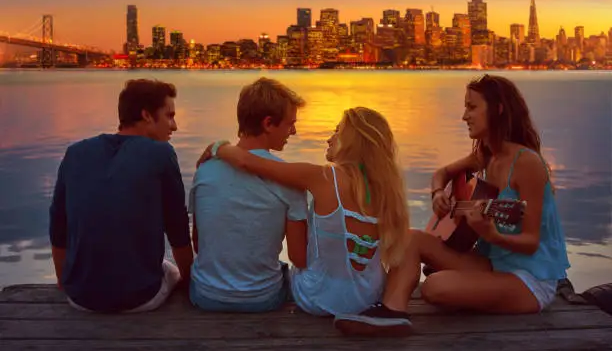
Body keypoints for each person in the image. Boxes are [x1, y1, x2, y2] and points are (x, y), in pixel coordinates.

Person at [335, 74, 570, 336]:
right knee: (411, 238)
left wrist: (490, 234)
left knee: (434, 287)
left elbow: (531, 242)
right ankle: (392, 312)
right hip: (492, 265)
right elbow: (442, 174)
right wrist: (438, 194)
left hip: (530, 280)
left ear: (498, 109)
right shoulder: (485, 155)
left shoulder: (527, 164)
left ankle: (471, 293)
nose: (464, 116)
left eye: (472, 107)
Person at [200, 106, 412, 328]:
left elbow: (249, 163)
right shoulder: (388, 191)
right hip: (368, 298)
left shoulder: (322, 177)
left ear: (352, 140)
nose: (329, 139)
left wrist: (218, 147)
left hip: (319, 299)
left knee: (289, 269)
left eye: (338, 132)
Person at [49, 79, 193, 313]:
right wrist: (189, 282)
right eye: (169, 116)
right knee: (172, 271)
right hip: (140, 299)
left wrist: (63, 281)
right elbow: (177, 230)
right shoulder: (161, 153)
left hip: (80, 299)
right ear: (147, 115)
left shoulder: (75, 152)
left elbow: (58, 226)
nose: (174, 125)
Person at [189, 77, 308, 312]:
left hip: (205, 295)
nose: (293, 131)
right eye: (289, 124)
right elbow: (299, 258)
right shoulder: (289, 180)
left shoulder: (204, 169)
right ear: (268, 123)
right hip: (262, 299)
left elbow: (198, 243)